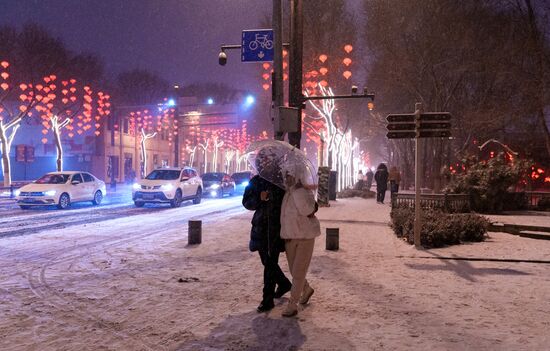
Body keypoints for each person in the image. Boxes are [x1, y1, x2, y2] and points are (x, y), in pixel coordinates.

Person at [242, 156, 292, 313]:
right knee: (267, 261)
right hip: (260, 227)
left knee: (270, 262)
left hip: (276, 227)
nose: (265, 165)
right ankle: (283, 283)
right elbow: (246, 202)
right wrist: (259, 198)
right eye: (262, 162)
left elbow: (291, 202)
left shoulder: (282, 182)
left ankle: (267, 299)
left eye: (268, 162)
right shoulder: (256, 181)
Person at [280, 165, 321, 317]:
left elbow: (307, 210)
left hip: (305, 236)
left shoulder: (301, 192)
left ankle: (292, 304)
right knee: (293, 270)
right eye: (286, 175)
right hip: (290, 236)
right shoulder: (287, 193)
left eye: (290, 175)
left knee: (298, 272)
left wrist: (297, 190)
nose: (287, 178)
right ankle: (306, 288)